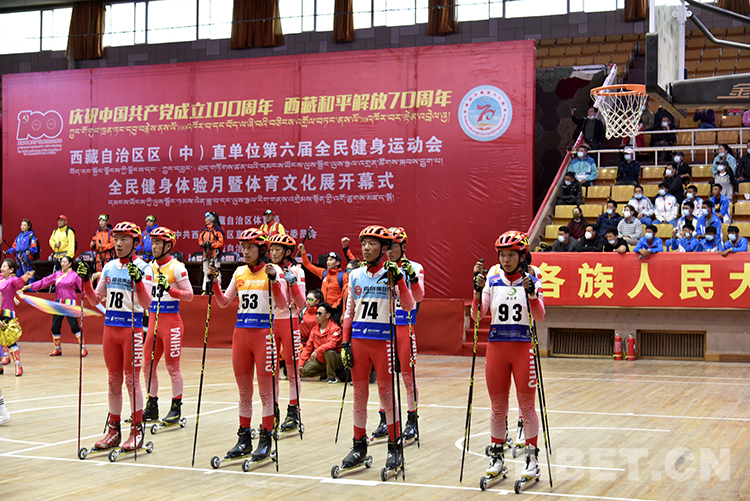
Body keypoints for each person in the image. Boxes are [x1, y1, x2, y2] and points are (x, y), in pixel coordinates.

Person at [338, 225, 415, 475]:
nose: (366, 248)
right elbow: (349, 312)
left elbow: (409, 305)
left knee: (387, 396)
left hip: (384, 342)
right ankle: (359, 446)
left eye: (372, 243)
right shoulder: (355, 275)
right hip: (359, 341)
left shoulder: (392, 273)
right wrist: (345, 342)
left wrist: (400, 280)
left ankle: (395, 449)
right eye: (364, 244)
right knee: (359, 396)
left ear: (384, 248)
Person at [471, 231, 544, 487]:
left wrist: (532, 293)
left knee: (527, 408)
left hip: (523, 348)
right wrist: (476, 292)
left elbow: (540, 316)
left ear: (522, 256)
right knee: (497, 407)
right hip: (497, 348)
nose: (506, 259)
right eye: (502, 254)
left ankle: (532, 462)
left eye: (511, 254)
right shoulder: (492, 275)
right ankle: (497, 459)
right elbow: (477, 315)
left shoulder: (533, 275)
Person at [209, 228, 286, 462]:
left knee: (266, 392)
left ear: (261, 250)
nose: (245, 251)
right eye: (243, 247)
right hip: (241, 334)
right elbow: (223, 302)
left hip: (264, 334)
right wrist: (214, 282)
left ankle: (266, 439)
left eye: (250, 247)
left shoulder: (273, 270)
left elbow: (282, 304)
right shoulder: (239, 271)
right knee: (244, 392)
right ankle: (244, 439)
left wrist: (274, 281)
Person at [77, 221, 153, 453]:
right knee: (113, 381)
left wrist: (138, 281)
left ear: (135, 242)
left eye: (124, 240)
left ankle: (137, 430)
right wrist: (85, 281)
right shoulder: (109, 266)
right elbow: (94, 299)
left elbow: (147, 303)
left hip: (132, 329)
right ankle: (113, 430)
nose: (118, 244)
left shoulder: (144, 267)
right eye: (116, 239)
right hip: (110, 328)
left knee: (132, 381)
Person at [373, 226, 425, 442]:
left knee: (407, 375)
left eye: (394, 246)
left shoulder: (415, 267)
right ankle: (384, 419)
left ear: (404, 246)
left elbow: (419, 297)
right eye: (387, 247)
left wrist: (409, 276)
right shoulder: (378, 267)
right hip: (384, 326)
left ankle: (412, 420)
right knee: (383, 376)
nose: (389, 251)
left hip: (404, 325)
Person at [141, 227, 194, 426]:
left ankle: (176, 407)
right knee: (147, 365)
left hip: (171, 323)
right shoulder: (149, 267)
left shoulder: (177, 267)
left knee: (172, 366)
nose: (153, 246)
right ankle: (152, 406)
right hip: (153, 321)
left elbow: (190, 295)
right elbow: (144, 295)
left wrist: (170, 289)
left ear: (168, 246)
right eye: (152, 242)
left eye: (157, 243)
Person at [267, 233, 306, 434]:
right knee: (271, 370)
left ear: (288, 252)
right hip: (269, 323)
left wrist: (293, 283)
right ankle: (272, 412)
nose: (273, 253)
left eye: (278, 249)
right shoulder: (266, 269)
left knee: (291, 370)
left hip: (290, 322)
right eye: (271, 249)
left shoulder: (297, 271)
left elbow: (302, 303)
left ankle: (293, 411)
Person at [25, 255, 86, 357]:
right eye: (61, 262)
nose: (62, 264)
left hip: (70, 304)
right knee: (55, 327)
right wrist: (30, 286)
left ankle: (83, 348)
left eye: (65, 262)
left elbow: (83, 288)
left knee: (74, 327)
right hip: (58, 304)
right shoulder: (57, 274)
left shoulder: (75, 275)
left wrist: (94, 296)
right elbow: (44, 281)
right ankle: (57, 349)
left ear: (70, 264)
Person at [0, 259, 35, 376]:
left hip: (6, 313)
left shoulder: (12, 280)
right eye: (2, 266)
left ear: (11, 270)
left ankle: (18, 365)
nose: (2, 268)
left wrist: (25, 277)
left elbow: (19, 283)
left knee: (10, 340)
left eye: (5, 266)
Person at [298, 244, 348, 325]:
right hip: (323, 309)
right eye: (327, 260)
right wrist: (303, 251)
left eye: (331, 260)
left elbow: (345, 295)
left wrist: (339, 310)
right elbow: (308, 265)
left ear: (337, 263)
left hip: (336, 311)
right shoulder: (323, 273)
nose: (328, 262)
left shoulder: (343, 276)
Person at [298, 302, 343, 382]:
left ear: (328, 315)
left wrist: (317, 351)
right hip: (320, 360)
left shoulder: (335, 329)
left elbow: (332, 344)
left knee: (328, 352)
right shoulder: (314, 330)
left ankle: (332, 377)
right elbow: (308, 348)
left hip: (334, 360)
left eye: (320, 313)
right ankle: (324, 372)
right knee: (303, 371)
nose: (317, 316)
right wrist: (300, 363)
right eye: (316, 313)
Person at [198, 212, 224, 294]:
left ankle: (217, 289)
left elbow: (220, 242)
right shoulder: (204, 229)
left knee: (216, 271)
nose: (205, 220)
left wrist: (212, 245)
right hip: (206, 254)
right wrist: (203, 244)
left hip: (215, 254)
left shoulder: (218, 229)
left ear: (211, 219)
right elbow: (200, 239)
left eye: (207, 218)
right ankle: (205, 289)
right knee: (206, 271)